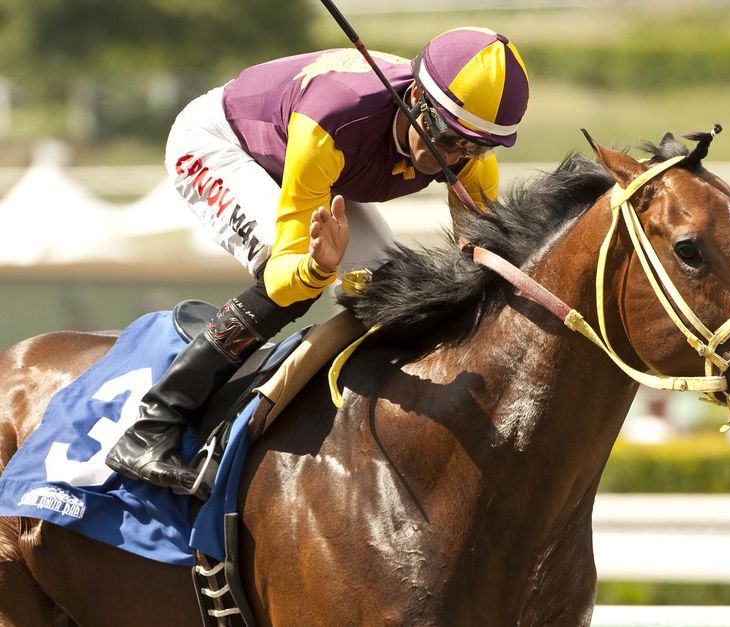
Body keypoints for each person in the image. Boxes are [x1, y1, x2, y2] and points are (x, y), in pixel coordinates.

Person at [105, 27, 530, 496]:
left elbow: (485, 269)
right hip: (223, 145)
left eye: (473, 146)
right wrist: (317, 269)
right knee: (300, 279)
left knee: (390, 292)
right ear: (415, 97)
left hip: (314, 162)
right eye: (445, 135)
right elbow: (287, 276)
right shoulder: (335, 119)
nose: (449, 157)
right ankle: (154, 426)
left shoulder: (468, 157)